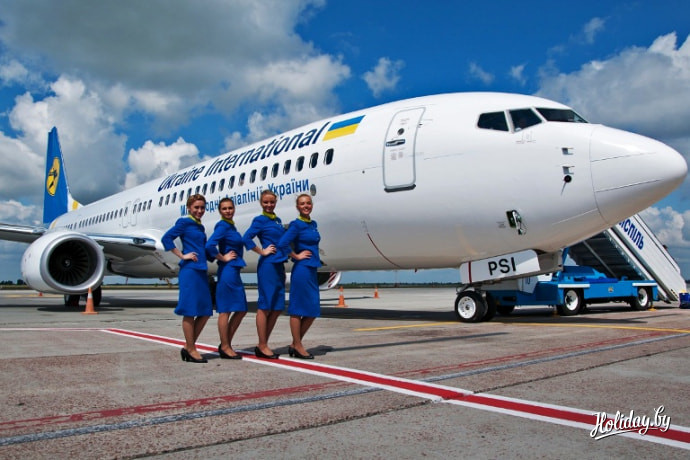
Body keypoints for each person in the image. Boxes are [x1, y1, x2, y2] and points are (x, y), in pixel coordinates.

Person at [162, 194, 213, 363]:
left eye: (202, 207)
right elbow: (166, 238)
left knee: (205, 312)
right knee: (190, 311)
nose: (199, 210)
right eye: (196, 207)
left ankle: (188, 346)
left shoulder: (200, 227)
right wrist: (182, 255)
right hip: (190, 271)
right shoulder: (184, 223)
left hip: (201, 270)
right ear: (189, 208)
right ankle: (191, 349)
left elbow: (203, 248)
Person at [277, 193, 321, 359]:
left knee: (312, 310)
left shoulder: (313, 224)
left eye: (308, 203)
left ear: (312, 205)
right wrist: (296, 255)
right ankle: (298, 345)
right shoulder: (296, 225)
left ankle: (295, 344)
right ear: (297, 207)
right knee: (298, 309)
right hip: (302, 269)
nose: (306, 206)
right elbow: (282, 243)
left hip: (312, 269)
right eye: (302, 204)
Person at [243, 189, 285, 359]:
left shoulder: (277, 221)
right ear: (261, 203)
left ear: (275, 202)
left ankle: (263, 343)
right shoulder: (259, 220)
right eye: (266, 202)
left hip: (279, 265)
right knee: (265, 306)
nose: (269, 205)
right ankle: (262, 345)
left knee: (277, 308)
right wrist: (262, 251)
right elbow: (246, 238)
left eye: (272, 202)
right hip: (268, 266)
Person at [206, 197, 247, 360]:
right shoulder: (222, 226)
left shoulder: (231, 226)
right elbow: (209, 245)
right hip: (228, 271)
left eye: (230, 208)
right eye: (224, 209)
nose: (228, 211)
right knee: (226, 310)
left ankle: (225, 343)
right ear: (220, 211)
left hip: (234, 271)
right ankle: (225, 346)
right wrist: (222, 257)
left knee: (241, 309)